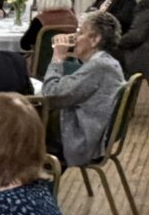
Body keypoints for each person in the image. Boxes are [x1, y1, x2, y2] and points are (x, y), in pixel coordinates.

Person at [41, 13, 127, 167]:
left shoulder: (99, 67)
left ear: (95, 39)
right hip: (91, 132)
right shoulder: (108, 63)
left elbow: (50, 95)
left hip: (81, 139)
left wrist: (57, 59)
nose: (75, 38)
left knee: (24, 125)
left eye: (80, 33)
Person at [18, 0, 80, 73]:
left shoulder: (40, 20)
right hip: (66, 66)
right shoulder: (72, 18)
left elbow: (24, 45)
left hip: (40, 66)